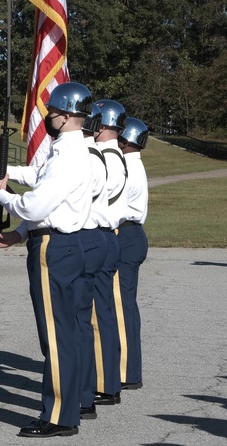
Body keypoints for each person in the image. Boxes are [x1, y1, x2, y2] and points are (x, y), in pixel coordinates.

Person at [0, 82, 94, 438]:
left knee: (56, 337)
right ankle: (69, 407)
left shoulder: (69, 156)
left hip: (53, 250)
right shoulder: (72, 152)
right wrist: (4, 172)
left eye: (52, 113)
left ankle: (58, 416)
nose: (48, 118)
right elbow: (41, 179)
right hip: (66, 245)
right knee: (69, 333)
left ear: (64, 116)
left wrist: (2, 196)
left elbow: (35, 205)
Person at [90, 100, 129, 408]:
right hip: (104, 237)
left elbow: (103, 192)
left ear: (102, 125)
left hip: (102, 234)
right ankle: (106, 380)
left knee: (98, 315)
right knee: (99, 312)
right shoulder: (110, 154)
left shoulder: (109, 157)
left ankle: (105, 382)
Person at [74, 103, 109, 420]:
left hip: (85, 235)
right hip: (95, 234)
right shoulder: (95, 155)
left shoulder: (85, 156)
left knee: (76, 324)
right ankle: (85, 393)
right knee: (83, 322)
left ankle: (83, 395)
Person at [115, 116, 149, 391]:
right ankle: (126, 366)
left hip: (125, 234)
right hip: (131, 234)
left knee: (122, 304)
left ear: (126, 140)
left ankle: (127, 371)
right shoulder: (132, 163)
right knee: (124, 303)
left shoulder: (126, 166)